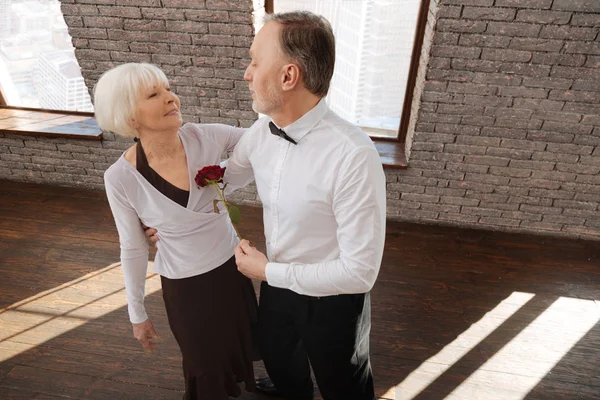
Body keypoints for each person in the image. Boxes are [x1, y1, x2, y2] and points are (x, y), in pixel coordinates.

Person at [226, 11, 387, 400]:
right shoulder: (261, 131)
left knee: (343, 381)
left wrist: (267, 271)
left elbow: (359, 274)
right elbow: (224, 179)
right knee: (280, 360)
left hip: (332, 297)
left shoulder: (353, 156)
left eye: (255, 60)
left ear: (288, 76)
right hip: (276, 281)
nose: (247, 73)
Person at [96, 62, 259, 400]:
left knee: (235, 342)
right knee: (204, 363)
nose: (172, 98)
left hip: (233, 269)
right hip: (185, 285)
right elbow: (133, 248)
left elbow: (266, 145)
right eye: (155, 94)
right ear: (130, 117)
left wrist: (229, 175)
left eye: (169, 89)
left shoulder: (204, 135)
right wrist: (137, 314)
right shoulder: (120, 178)